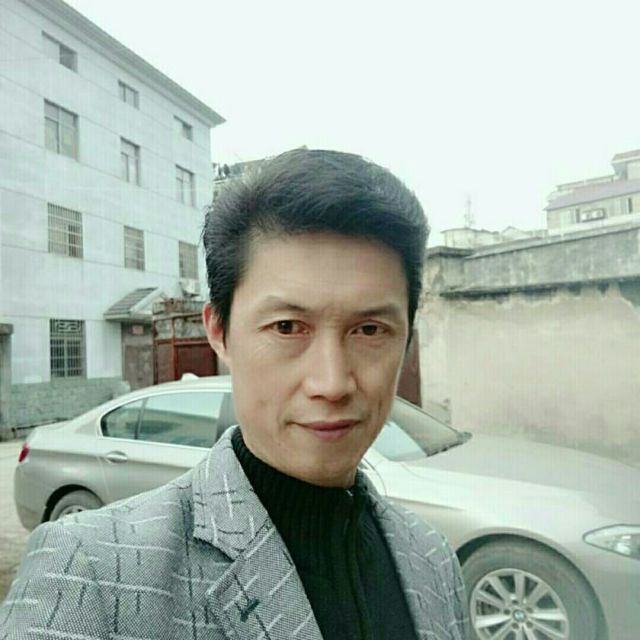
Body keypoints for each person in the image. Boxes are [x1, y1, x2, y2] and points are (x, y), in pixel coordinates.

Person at [0, 149, 468, 639]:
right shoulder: (92, 573)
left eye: (369, 330)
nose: (332, 383)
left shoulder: (431, 559)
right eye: (287, 327)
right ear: (219, 331)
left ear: (406, 337)